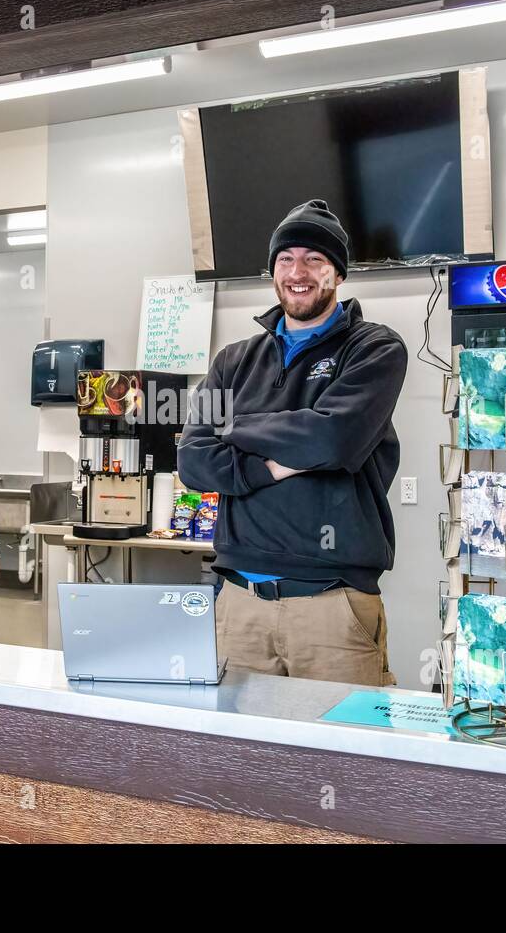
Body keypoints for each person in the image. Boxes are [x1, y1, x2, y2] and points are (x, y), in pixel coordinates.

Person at [177, 199, 407, 686]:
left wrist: (232, 423)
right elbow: (194, 461)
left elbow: (334, 438)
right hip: (238, 603)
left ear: (337, 274)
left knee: (344, 755)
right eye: (286, 259)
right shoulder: (234, 359)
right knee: (234, 757)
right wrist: (270, 467)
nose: (297, 272)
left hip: (332, 603)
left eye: (314, 259)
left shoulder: (374, 348)